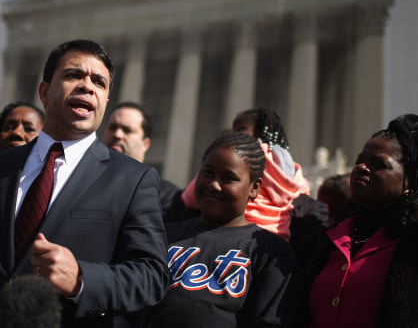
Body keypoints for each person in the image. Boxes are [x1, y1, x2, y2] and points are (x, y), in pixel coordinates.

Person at [0, 39, 169, 328]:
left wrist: (81, 279)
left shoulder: (134, 180)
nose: (87, 86)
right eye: (73, 75)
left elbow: (152, 276)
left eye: (99, 82)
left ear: (105, 101)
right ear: (44, 91)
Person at [141, 132, 298, 327]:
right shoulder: (163, 235)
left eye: (228, 178)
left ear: (254, 188)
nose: (214, 185)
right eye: (208, 173)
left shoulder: (270, 252)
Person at [296, 119, 418, 327]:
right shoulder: (323, 242)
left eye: (378, 164)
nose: (361, 167)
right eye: (360, 160)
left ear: (411, 180)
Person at [168, 108, 314, 241]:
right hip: (275, 236)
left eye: (239, 129)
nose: (232, 134)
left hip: (232, 234)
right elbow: (301, 190)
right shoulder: (285, 163)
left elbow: (189, 198)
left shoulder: (244, 157)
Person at [102, 101, 180, 214]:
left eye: (127, 130)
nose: (117, 134)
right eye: (112, 127)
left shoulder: (169, 197)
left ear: (145, 144)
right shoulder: (83, 179)